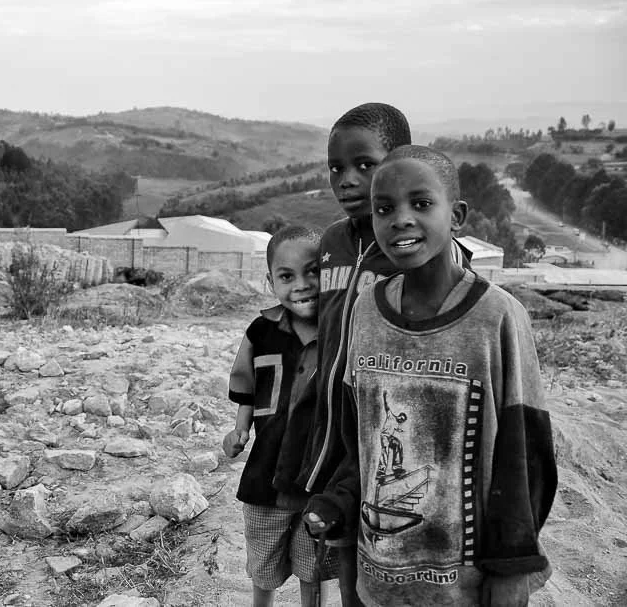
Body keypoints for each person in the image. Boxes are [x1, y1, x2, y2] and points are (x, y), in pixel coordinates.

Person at [305, 145, 557, 606]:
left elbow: (525, 454)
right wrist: (338, 502)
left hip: (464, 586)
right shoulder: (366, 310)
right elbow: (357, 436)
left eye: (421, 204)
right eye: (385, 208)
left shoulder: (497, 317)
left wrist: (510, 569)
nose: (400, 219)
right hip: (376, 574)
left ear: (456, 215)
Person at [273, 103, 462, 605]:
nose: (348, 180)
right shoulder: (332, 241)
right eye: (337, 168)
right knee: (339, 549)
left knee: (386, 546)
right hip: (332, 418)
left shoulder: (409, 246)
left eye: (365, 165)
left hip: (388, 422)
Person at [223, 225, 338, 607]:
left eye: (313, 272)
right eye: (287, 276)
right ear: (270, 281)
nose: (302, 285)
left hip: (317, 474)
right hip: (265, 470)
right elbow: (248, 386)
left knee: (314, 560)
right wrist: (239, 430)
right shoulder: (261, 330)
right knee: (263, 555)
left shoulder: (340, 331)